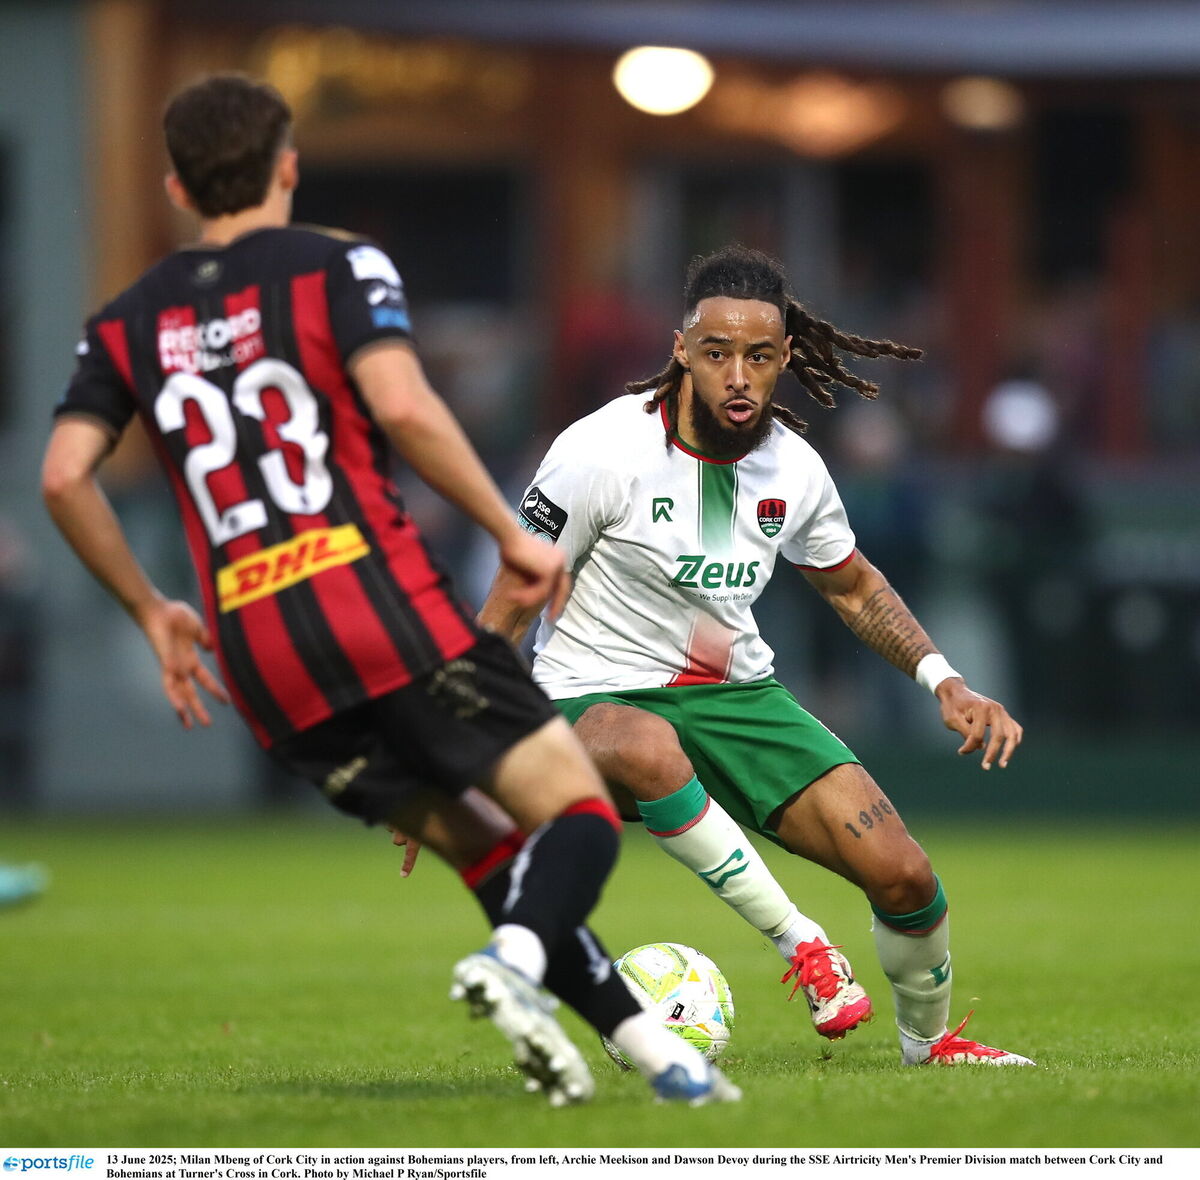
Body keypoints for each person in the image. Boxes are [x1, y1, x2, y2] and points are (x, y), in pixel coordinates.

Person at [40, 73, 739, 1106]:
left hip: (264, 665)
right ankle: (514, 965)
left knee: (488, 850)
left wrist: (152, 607)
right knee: (581, 814)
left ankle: (660, 1059)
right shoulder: (336, 265)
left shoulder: (124, 323)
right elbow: (404, 407)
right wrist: (512, 533)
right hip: (378, 612)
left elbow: (61, 475)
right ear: (287, 166)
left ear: (176, 186)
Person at [481, 244, 1035, 1067]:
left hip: (734, 698)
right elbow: (512, 601)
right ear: (681, 351)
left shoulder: (795, 469)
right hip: (584, 702)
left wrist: (943, 680)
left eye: (758, 356)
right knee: (644, 743)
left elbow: (852, 587)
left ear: (783, 358)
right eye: (716, 353)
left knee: (906, 879)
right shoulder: (599, 452)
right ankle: (802, 943)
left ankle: (930, 1047)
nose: (737, 374)